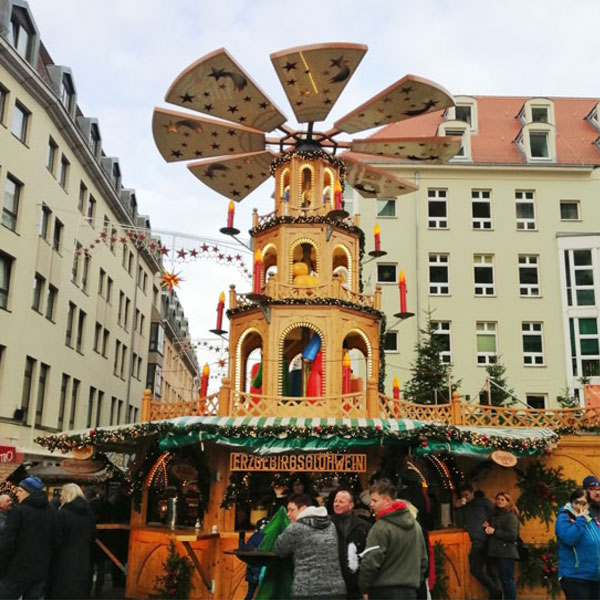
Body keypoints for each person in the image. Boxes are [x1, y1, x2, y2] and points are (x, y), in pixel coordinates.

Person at [359, 479, 428, 600]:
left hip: (382, 592)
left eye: (375, 500)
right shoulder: (416, 526)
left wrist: (364, 588)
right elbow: (423, 561)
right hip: (410, 592)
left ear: (387, 501)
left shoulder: (380, 528)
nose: (371, 504)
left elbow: (370, 562)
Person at [274, 493, 346, 599]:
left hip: (307, 591)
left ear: (303, 509)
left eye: (291, 510)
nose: (288, 514)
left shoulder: (296, 528)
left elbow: (279, 550)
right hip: (336, 589)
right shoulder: (331, 526)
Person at [0, 476, 56, 599]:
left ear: (29, 492)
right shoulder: (52, 513)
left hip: (16, 571)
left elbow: (8, 543)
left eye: (20, 491)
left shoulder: (19, 512)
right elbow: (55, 542)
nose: (16, 494)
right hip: (40, 570)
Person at [47, 483, 96, 599]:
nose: (60, 498)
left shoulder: (62, 514)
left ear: (67, 496)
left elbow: (55, 540)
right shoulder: (89, 515)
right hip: (83, 561)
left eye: (62, 495)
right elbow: (92, 537)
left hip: (63, 563)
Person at [454, 483, 500, 599]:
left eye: (467, 495)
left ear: (472, 492)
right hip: (476, 542)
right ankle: (495, 589)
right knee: (475, 569)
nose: (465, 498)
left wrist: (491, 525)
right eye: (463, 496)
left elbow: (495, 516)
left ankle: (495, 595)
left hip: (489, 540)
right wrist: (458, 508)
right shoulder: (464, 506)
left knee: (492, 570)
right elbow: (460, 523)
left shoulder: (484, 502)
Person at [555, 488, 600, 600]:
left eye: (583, 503)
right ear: (571, 502)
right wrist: (580, 520)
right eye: (576, 502)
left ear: (589, 505)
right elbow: (569, 539)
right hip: (574, 577)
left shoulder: (592, 520)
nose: (580, 507)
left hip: (594, 578)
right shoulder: (564, 518)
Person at [330, 489, 371, 599]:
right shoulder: (327, 524)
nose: (337, 504)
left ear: (351, 505)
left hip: (356, 583)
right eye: (335, 501)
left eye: (341, 502)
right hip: (333, 581)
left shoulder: (363, 526)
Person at [484, 492, 520, 600]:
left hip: (506, 553)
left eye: (503, 499)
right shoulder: (496, 515)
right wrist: (489, 527)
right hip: (497, 552)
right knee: (503, 580)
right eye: (498, 499)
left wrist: (494, 531)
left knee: (507, 580)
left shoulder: (511, 516)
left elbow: (513, 535)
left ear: (508, 502)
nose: (499, 501)